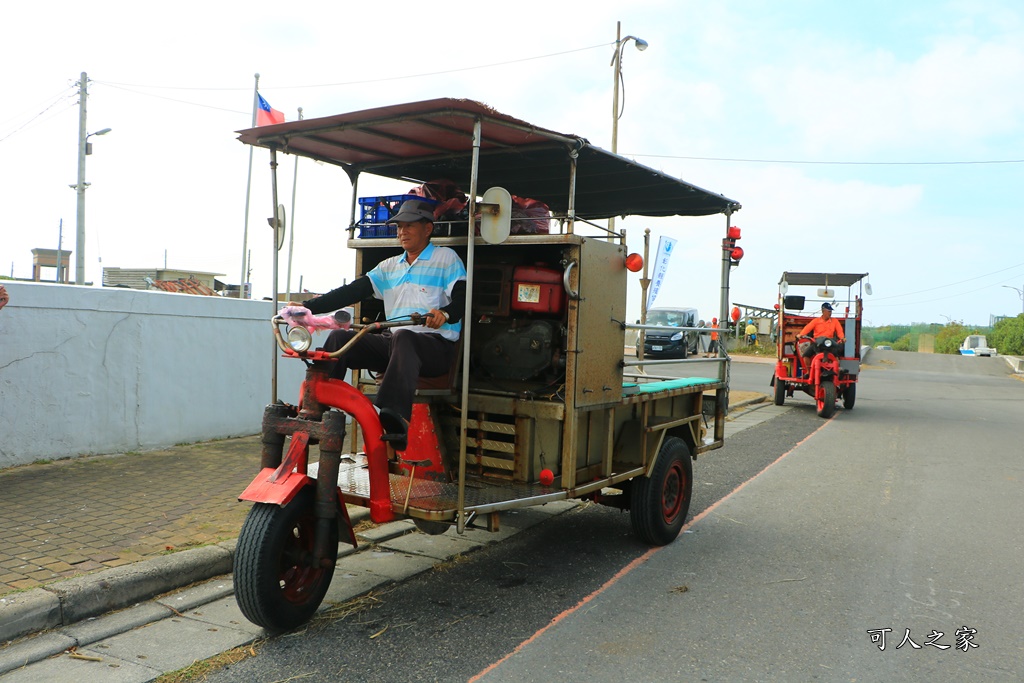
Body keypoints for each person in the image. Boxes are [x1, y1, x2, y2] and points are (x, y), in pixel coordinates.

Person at [298, 199, 467, 451]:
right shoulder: (389, 267)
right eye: (399, 226)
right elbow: (351, 291)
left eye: (409, 226)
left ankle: (395, 418)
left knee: (405, 337)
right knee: (339, 337)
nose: (402, 232)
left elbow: (464, 297)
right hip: (395, 346)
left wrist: (445, 313)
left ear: (428, 228)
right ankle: (315, 409)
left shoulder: (446, 258)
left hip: (435, 348)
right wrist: (307, 308)